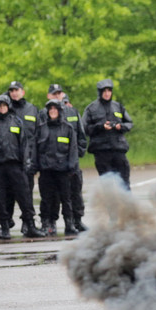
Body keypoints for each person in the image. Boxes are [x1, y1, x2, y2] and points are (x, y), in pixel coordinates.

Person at [0, 94, 42, 239]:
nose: (2, 108)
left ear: (8, 106)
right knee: (0, 198)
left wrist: (26, 162)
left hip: (15, 165)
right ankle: (4, 227)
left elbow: (24, 143)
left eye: (4, 105)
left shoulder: (16, 122)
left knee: (24, 196)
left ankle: (30, 224)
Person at [35, 99, 80, 236]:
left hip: (63, 171)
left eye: (55, 109)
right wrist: (36, 166)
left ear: (60, 111)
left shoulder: (68, 128)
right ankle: (47, 224)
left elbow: (73, 149)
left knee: (66, 199)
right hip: (46, 170)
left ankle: (69, 224)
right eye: (50, 109)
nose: (53, 112)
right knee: (46, 199)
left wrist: (72, 167)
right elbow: (35, 149)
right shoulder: (41, 128)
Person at [48, 84, 88, 232]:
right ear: (49, 97)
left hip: (72, 163)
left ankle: (77, 221)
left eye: (59, 93)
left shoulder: (73, 111)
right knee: (54, 195)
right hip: (55, 163)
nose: (57, 96)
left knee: (75, 193)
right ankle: (52, 222)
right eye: (54, 94)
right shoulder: (46, 114)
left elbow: (81, 137)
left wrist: (76, 155)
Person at [83, 79, 133, 189]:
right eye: (104, 91)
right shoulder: (91, 109)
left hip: (118, 149)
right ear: (99, 92)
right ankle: (109, 204)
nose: (107, 93)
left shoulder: (118, 106)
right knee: (107, 184)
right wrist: (100, 127)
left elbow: (129, 123)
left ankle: (126, 204)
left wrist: (121, 127)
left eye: (109, 91)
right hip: (101, 151)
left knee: (124, 181)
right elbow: (85, 128)